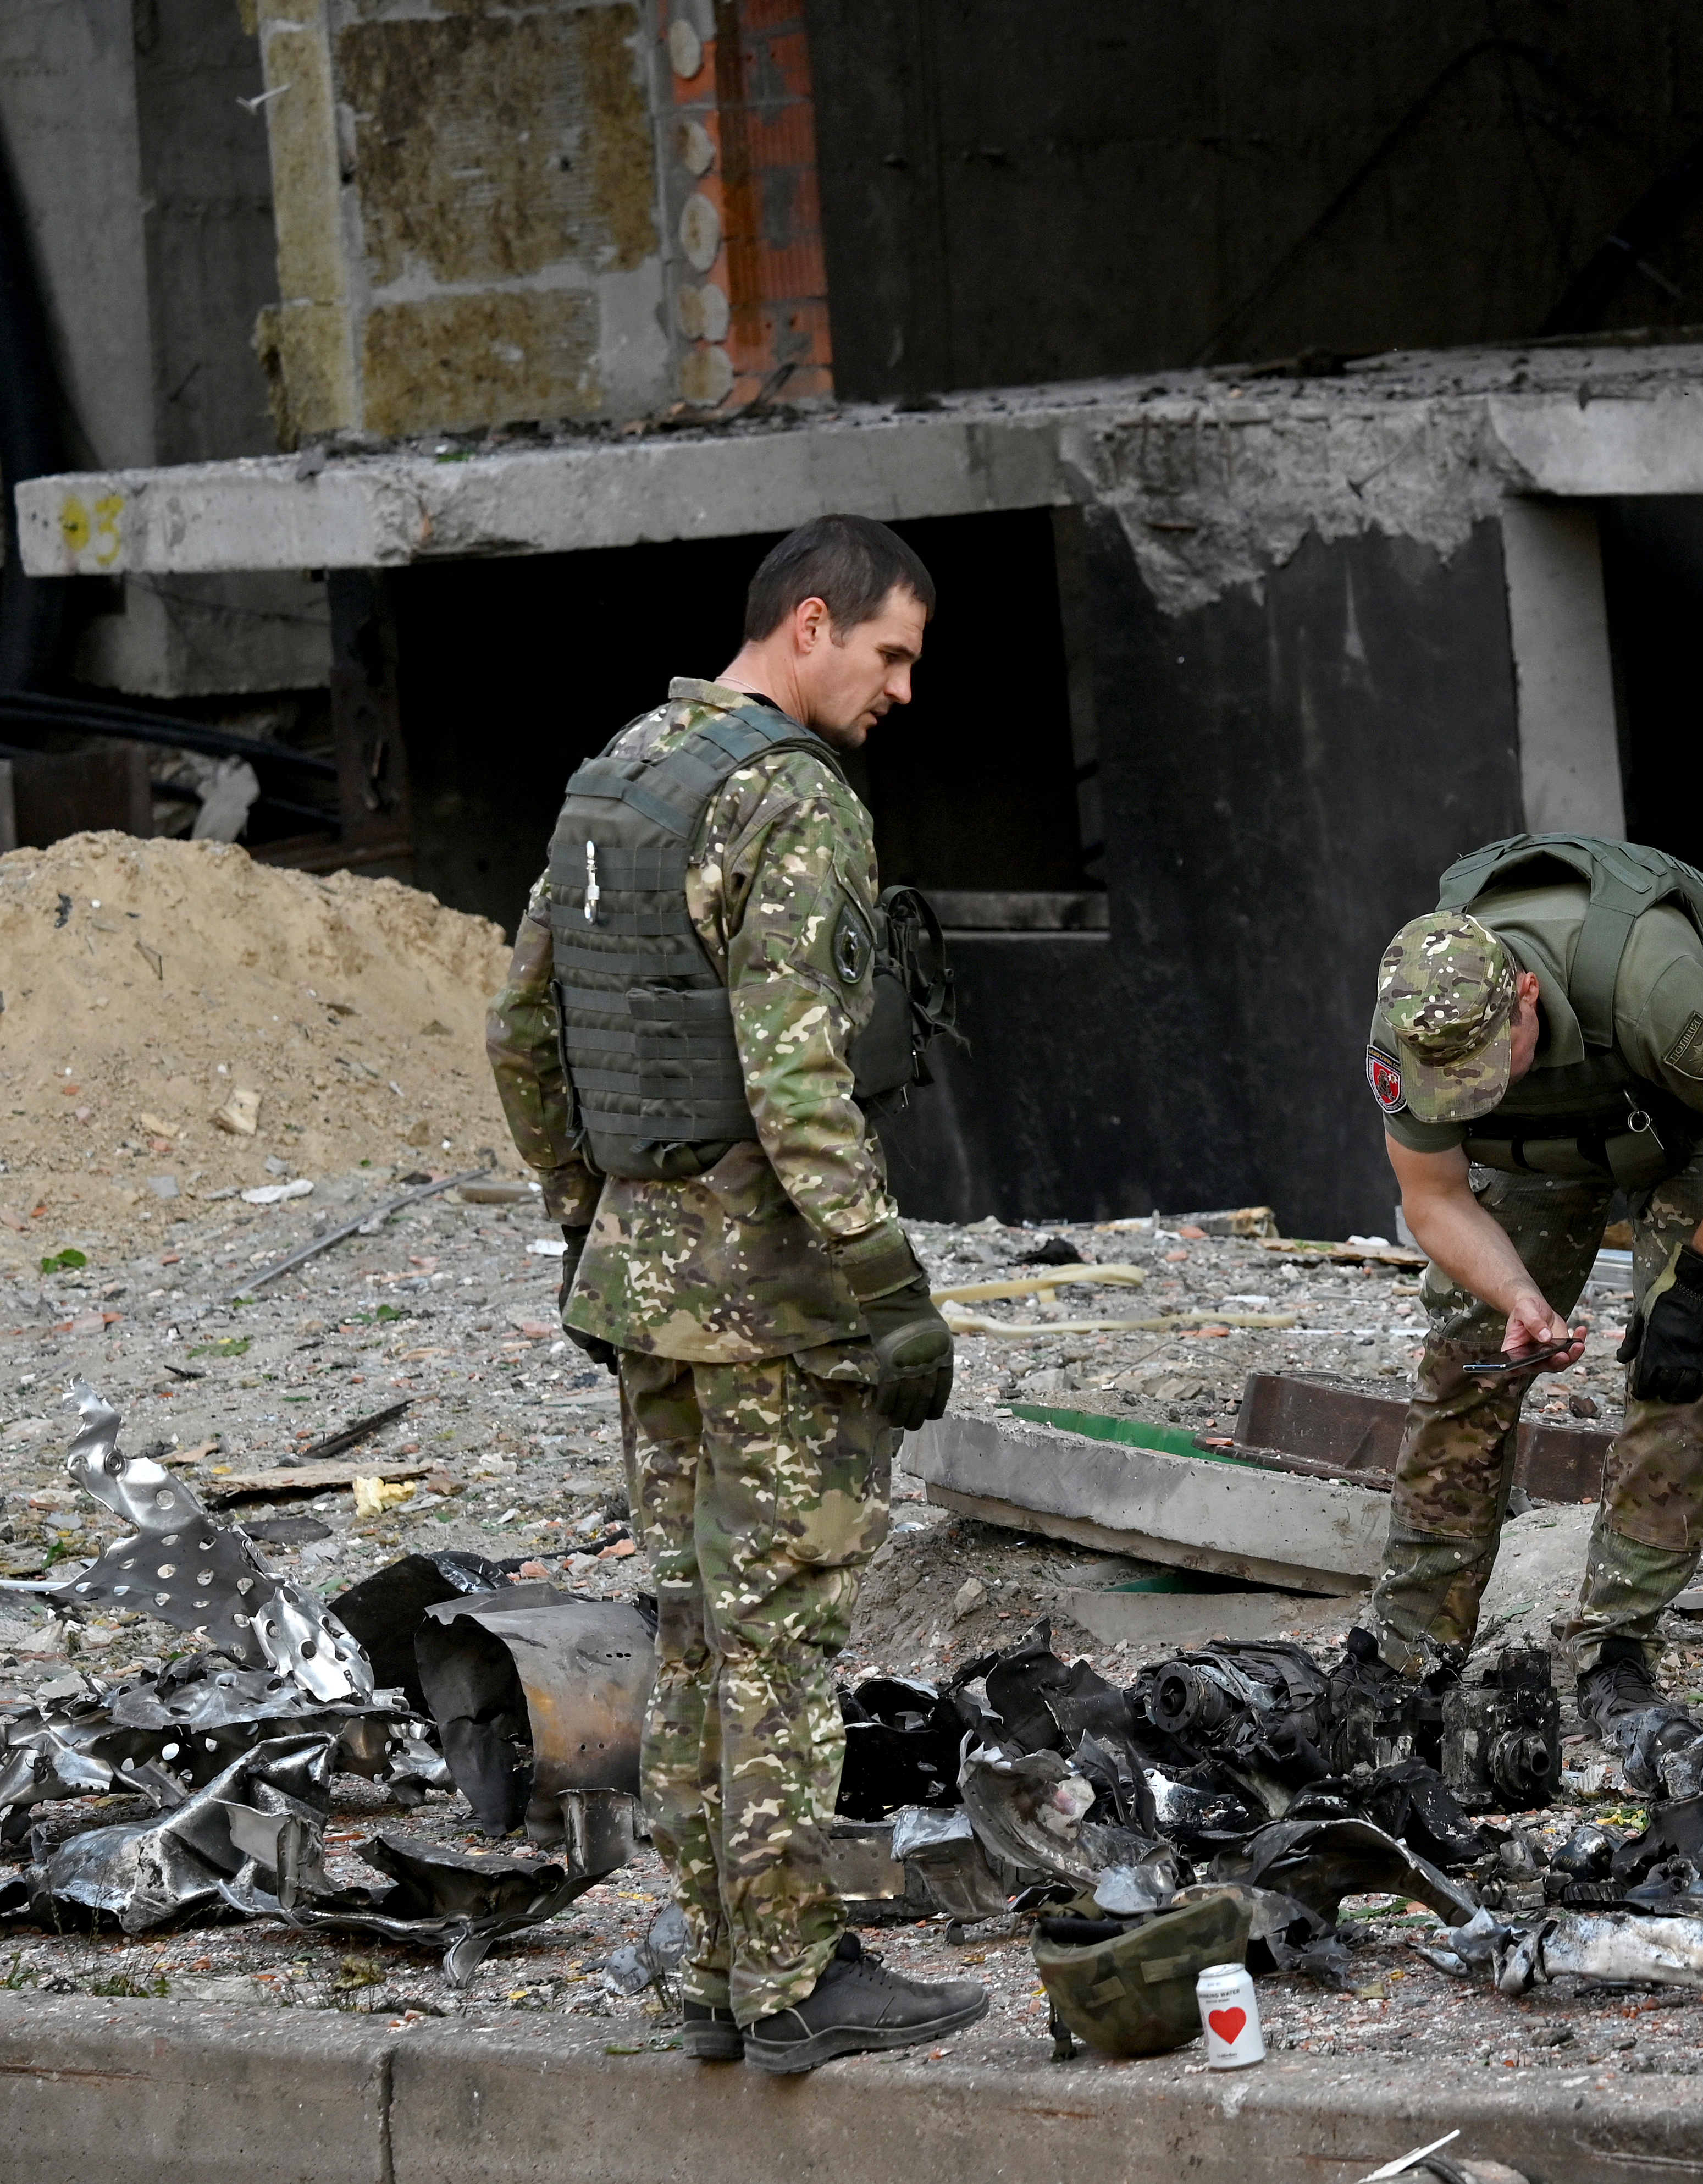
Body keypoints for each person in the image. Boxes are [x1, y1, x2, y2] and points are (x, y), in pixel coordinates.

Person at [486, 513, 984, 2074]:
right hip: (779, 1291)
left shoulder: (618, 777)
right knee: (775, 1638)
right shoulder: (792, 799)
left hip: (650, 1283)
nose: (902, 688)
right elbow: (798, 1083)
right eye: (892, 652)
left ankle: (713, 1964)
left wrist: (595, 1221)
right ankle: (790, 1978)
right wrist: (889, 1291)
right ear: (813, 622)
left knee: (700, 1626)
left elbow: (520, 1031)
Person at [1358, 834, 1703, 1731]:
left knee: (1676, 1367)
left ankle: (1619, 1648)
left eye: (1491, 1063)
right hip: (1533, 1151)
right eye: (1452, 1082)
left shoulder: (1648, 980)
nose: (1471, 1088)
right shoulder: (1411, 1020)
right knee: (1464, 1360)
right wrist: (1517, 1298)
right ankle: (1412, 1643)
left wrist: (1695, 1288)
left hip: (1683, 1122)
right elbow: (1433, 1194)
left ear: (1525, 995)